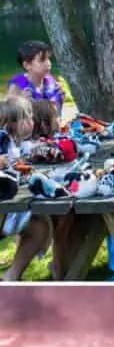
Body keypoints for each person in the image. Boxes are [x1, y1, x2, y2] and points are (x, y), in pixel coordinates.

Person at [0, 97, 59, 281]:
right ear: (11, 123)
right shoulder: (2, 139)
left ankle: (12, 277)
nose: (31, 122)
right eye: (27, 118)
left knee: (39, 226)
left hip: (8, 208)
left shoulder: (16, 142)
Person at [8, 41, 64, 117]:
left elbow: (57, 115)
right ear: (27, 65)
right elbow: (7, 114)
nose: (48, 63)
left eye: (48, 59)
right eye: (42, 60)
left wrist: (60, 99)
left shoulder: (51, 83)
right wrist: (21, 102)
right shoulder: (17, 86)